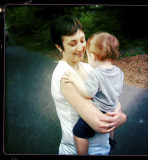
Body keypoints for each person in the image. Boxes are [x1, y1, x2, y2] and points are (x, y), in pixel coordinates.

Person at [50, 15, 127, 155]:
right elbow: (100, 123)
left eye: (82, 40)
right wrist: (121, 117)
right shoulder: (65, 76)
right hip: (77, 151)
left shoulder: (89, 68)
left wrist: (120, 114)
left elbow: (111, 99)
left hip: (102, 148)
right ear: (59, 46)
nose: (80, 47)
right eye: (73, 43)